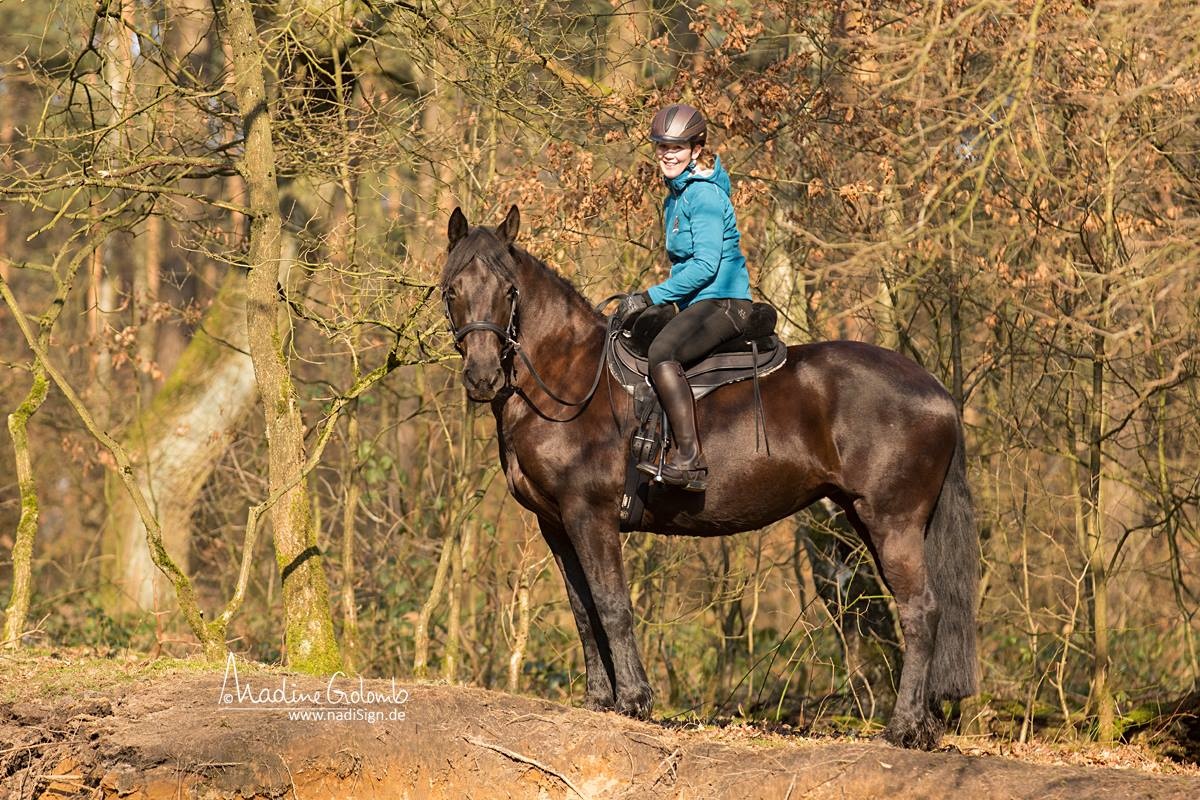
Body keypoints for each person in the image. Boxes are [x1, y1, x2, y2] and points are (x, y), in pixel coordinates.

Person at [615, 103, 753, 492]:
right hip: (697, 304)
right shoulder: (674, 198)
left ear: (696, 149)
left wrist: (649, 295)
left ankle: (690, 459)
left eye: (677, 147)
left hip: (724, 302)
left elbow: (707, 266)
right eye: (662, 147)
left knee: (663, 353)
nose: (668, 154)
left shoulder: (703, 197)